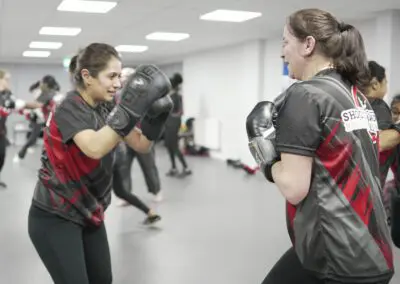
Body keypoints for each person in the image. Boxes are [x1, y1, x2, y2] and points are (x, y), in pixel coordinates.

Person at [246, 8, 393, 284]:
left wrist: (264, 155)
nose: (282, 53)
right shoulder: (356, 96)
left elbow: (293, 187)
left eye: (285, 42)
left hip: (335, 255)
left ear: (308, 44)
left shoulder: (305, 95)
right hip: (371, 248)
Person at [27, 42, 173, 284]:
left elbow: (142, 145)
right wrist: (129, 106)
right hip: (55, 216)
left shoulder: (107, 107)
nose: (118, 83)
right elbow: (94, 147)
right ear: (87, 76)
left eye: (119, 75)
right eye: (111, 76)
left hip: (90, 213)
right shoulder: (68, 106)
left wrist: (155, 119)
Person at [112, 67, 162, 222]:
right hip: (125, 137)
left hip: (142, 135)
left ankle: (156, 191)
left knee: (148, 165)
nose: (124, 78)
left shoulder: (144, 95)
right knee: (123, 167)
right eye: (122, 76)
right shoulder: (117, 95)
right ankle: (126, 194)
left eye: (127, 76)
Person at [13, 75, 60, 163]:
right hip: (44, 120)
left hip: (53, 122)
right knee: (36, 139)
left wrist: (23, 104)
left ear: (46, 84)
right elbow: (37, 105)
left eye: (42, 83)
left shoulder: (50, 93)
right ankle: (21, 155)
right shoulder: (45, 93)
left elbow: (37, 105)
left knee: (51, 143)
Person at [164, 73, 192, 177]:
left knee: (174, 146)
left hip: (173, 124)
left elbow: (180, 112)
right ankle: (174, 168)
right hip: (168, 124)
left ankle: (186, 167)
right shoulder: (170, 96)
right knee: (168, 146)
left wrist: (169, 114)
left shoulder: (176, 97)